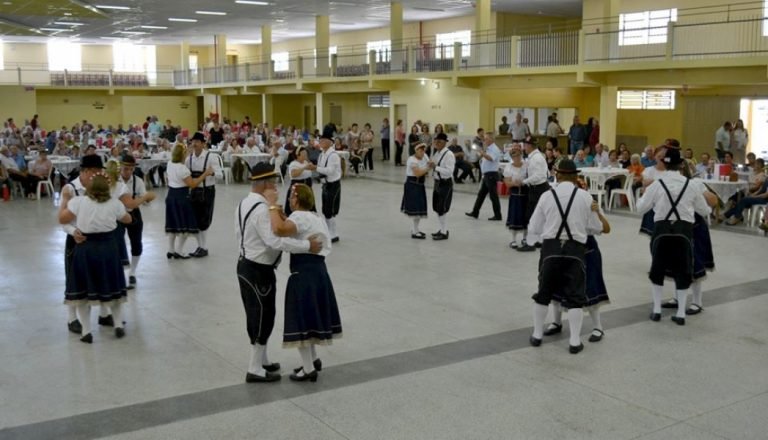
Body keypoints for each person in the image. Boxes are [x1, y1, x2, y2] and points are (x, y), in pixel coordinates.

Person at [235, 164, 323, 383]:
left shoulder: (244, 203)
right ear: (264, 185)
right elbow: (274, 239)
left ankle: (263, 361)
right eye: (273, 183)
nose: (276, 187)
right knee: (263, 317)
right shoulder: (262, 209)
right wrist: (306, 245)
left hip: (246, 264)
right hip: (258, 269)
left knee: (258, 314)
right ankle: (254, 368)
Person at [265, 183, 342, 382]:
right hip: (319, 272)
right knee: (311, 317)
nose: (289, 200)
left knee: (301, 321)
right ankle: (313, 360)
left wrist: (272, 207)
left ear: (296, 200)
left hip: (303, 274)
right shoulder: (316, 217)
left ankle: (308, 369)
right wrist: (283, 215)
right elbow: (295, 229)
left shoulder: (299, 217)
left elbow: (280, 230)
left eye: (291, 197)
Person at [528, 159, 603, 354]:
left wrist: (551, 229)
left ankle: (537, 335)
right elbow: (597, 228)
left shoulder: (546, 196)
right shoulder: (585, 197)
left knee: (543, 293)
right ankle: (575, 341)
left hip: (550, 249)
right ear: (576, 176)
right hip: (576, 251)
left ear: (558, 175)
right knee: (575, 295)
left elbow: (533, 227)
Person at [636, 147, 711, 325]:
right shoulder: (691, 185)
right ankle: (681, 313)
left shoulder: (656, 184)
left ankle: (656, 311)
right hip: (683, 232)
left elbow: (640, 208)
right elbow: (704, 210)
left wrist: (647, 198)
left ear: (664, 163)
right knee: (684, 270)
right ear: (680, 165)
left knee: (657, 269)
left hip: (661, 231)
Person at [58, 173, 133, 343]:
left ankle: (86, 331)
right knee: (113, 285)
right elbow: (128, 219)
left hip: (86, 248)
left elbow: (63, 219)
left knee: (84, 291)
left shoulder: (78, 202)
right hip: (108, 248)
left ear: (89, 188)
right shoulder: (115, 204)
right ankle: (118, 324)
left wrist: (65, 200)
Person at [544, 196, 611, 343]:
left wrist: (598, 212)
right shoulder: (558, 203)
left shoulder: (589, 204)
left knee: (591, 285)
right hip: (565, 249)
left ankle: (598, 326)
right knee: (558, 283)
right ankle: (557, 321)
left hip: (587, 250)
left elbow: (606, 229)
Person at [59, 155, 104, 335]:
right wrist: (73, 232)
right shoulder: (70, 189)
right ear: (84, 171)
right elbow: (62, 220)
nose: (97, 175)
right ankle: (71, 318)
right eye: (94, 172)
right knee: (73, 279)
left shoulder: (100, 187)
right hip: (76, 239)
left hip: (96, 239)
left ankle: (105, 313)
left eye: (100, 171)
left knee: (95, 278)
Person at [165, 143, 213, 259]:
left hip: (171, 196)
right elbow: (192, 184)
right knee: (184, 225)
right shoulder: (182, 169)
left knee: (173, 224)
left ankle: (171, 249)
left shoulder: (169, 164)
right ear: (183, 155)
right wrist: (205, 174)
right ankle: (179, 251)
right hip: (182, 197)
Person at [118, 156, 156, 289]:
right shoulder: (114, 180)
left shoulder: (138, 181)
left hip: (134, 213)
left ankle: (132, 272)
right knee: (118, 243)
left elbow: (144, 199)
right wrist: (144, 198)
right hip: (117, 215)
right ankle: (121, 272)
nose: (127, 171)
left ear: (134, 169)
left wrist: (148, 199)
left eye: (130, 169)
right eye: (124, 168)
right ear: (120, 167)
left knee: (136, 242)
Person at [187, 132, 222, 257]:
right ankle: (201, 247)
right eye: (193, 141)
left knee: (204, 220)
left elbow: (220, 175)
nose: (194, 144)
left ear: (203, 144)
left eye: (197, 141)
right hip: (194, 192)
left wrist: (211, 173)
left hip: (207, 191)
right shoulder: (189, 158)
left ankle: (203, 247)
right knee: (195, 220)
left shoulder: (211, 157)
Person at [305, 124, 342, 243]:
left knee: (329, 210)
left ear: (330, 142)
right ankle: (329, 231)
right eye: (320, 140)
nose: (320, 142)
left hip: (333, 185)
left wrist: (315, 168)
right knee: (325, 209)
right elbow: (320, 168)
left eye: (323, 140)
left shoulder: (333, 155)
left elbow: (330, 171)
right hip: (325, 185)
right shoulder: (322, 154)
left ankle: (334, 233)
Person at [519, 137, 550, 252]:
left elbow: (539, 176)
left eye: (525, 145)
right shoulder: (534, 157)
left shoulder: (536, 158)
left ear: (530, 146)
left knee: (531, 216)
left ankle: (530, 243)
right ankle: (539, 240)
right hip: (537, 188)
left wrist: (523, 182)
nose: (524, 147)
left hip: (538, 189)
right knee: (538, 216)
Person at [465, 134, 502, 221]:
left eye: (486, 139)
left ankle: (498, 215)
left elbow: (491, 158)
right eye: (484, 139)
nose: (484, 141)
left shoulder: (494, 149)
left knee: (493, 196)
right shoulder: (488, 149)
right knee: (481, 195)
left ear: (491, 139)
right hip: (486, 175)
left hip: (491, 175)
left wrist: (483, 153)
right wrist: (481, 153)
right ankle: (475, 212)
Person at [429, 133, 455, 240]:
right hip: (437, 183)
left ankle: (444, 232)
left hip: (445, 183)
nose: (437, 143)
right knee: (437, 207)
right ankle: (441, 229)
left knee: (442, 208)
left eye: (439, 141)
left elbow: (449, 172)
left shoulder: (449, 154)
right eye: (436, 141)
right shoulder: (437, 153)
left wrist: (436, 167)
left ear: (445, 142)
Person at [401, 143, 430, 238]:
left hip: (420, 185)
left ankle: (415, 229)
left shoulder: (425, 156)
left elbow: (429, 162)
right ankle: (414, 231)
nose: (422, 152)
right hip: (412, 185)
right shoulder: (411, 160)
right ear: (416, 150)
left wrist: (429, 165)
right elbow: (417, 173)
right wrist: (428, 168)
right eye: (420, 150)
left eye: (423, 150)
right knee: (416, 208)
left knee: (419, 208)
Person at [503, 150, 528, 248]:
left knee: (526, 216)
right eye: (514, 156)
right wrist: (515, 183)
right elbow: (507, 183)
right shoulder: (508, 167)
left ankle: (525, 238)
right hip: (515, 195)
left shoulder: (526, 165)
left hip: (526, 194)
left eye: (519, 155)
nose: (517, 157)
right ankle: (513, 239)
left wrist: (524, 182)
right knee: (514, 216)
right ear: (512, 157)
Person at [285, 146, 315, 217]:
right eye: (303, 154)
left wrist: (312, 166)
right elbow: (294, 174)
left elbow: (313, 169)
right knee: (298, 207)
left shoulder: (306, 162)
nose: (305, 155)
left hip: (308, 188)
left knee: (308, 207)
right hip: (298, 188)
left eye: (306, 154)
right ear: (297, 155)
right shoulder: (293, 164)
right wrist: (304, 167)